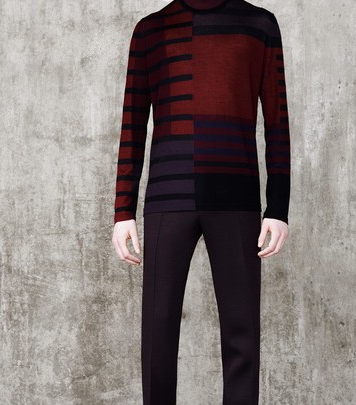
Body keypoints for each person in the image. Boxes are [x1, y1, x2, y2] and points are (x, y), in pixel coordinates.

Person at [112, 0, 291, 403]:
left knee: (242, 332)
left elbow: (277, 120)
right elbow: (132, 123)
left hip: (236, 196)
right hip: (167, 196)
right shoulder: (150, 31)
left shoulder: (259, 25)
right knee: (158, 331)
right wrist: (123, 209)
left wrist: (278, 207)